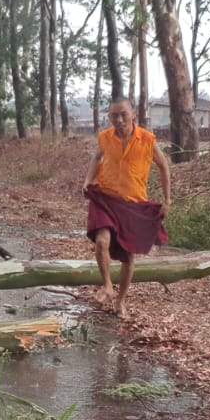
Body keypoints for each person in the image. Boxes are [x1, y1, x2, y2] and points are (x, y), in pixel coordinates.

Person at [82, 99, 172, 318]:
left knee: (129, 259)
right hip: (106, 199)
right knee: (102, 241)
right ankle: (107, 286)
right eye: (114, 116)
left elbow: (164, 166)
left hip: (133, 204)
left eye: (123, 114)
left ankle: (120, 301)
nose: (119, 120)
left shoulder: (148, 140)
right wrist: (88, 179)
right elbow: (97, 156)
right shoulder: (105, 137)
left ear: (133, 115)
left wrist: (167, 200)